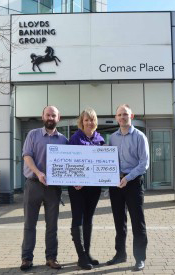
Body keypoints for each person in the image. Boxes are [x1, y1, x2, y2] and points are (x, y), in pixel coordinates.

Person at [20, 106, 68, 271]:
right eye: (48, 114)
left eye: (53, 115)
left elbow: (68, 164)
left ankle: (51, 258)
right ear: (42, 116)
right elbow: (27, 156)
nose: (50, 117)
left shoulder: (63, 140)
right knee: (29, 224)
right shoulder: (33, 135)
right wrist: (38, 172)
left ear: (58, 118)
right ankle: (26, 259)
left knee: (52, 226)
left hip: (53, 189)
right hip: (33, 184)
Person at [106, 104, 149, 272]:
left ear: (131, 116)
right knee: (119, 221)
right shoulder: (112, 138)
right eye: (119, 114)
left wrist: (128, 178)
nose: (122, 117)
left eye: (125, 114)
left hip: (133, 183)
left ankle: (139, 258)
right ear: (116, 118)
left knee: (137, 222)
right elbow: (110, 161)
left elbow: (144, 163)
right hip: (116, 184)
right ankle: (120, 254)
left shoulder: (139, 136)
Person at [68, 108, 105, 270]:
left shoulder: (100, 139)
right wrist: (76, 180)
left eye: (92, 119)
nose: (89, 122)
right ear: (81, 122)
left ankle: (87, 253)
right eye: (86, 120)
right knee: (78, 218)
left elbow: (103, 163)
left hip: (94, 187)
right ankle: (81, 257)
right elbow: (68, 161)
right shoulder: (75, 138)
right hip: (77, 187)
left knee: (89, 219)